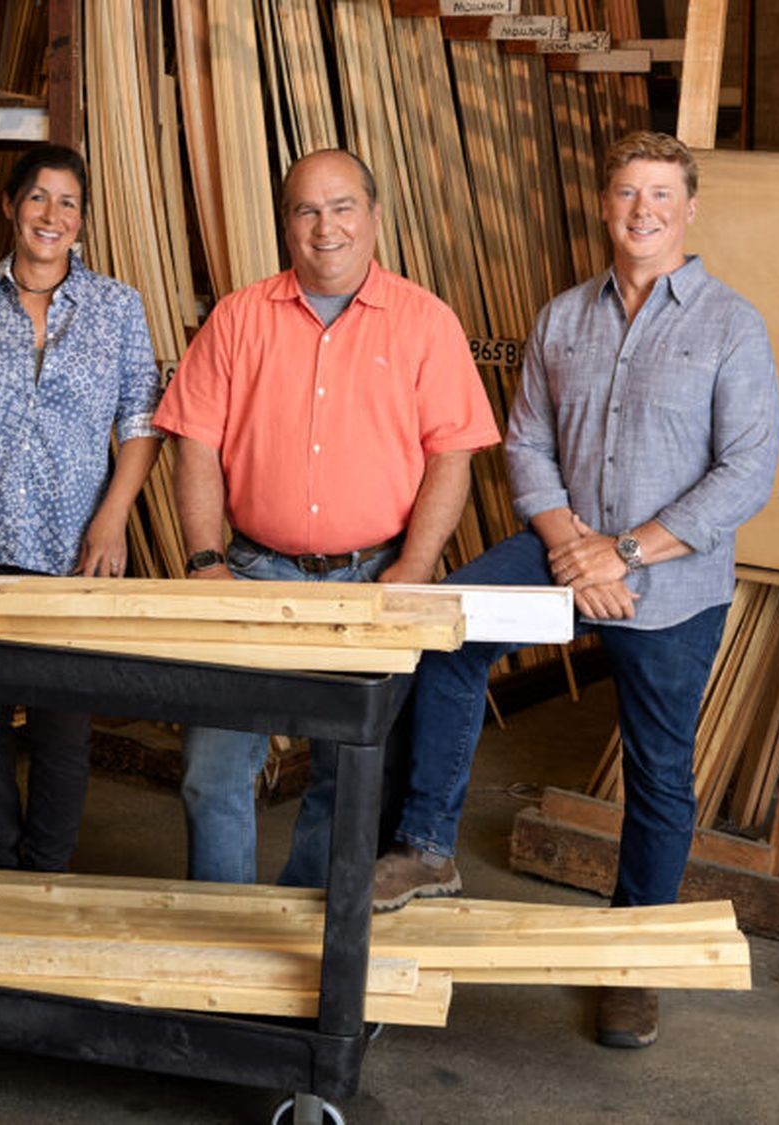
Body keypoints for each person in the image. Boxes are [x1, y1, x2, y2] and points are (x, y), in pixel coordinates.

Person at [372, 131, 779, 1049]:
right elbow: (526, 443)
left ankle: (632, 961)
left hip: (669, 583)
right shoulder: (562, 317)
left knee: (659, 773)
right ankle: (427, 848)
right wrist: (572, 548)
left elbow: (746, 471)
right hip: (564, 547)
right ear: (606, 205)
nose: (644, 211)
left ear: (689, 209)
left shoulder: (731, 325)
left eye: (662, 195)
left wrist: (623, 554)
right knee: (449, 631)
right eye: (629, 193)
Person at [152, 149, 501, 888]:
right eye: (306, 210)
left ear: (374, 217)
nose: (326, 227)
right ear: (286, 226)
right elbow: (195, 443)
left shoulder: (425, 323)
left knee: (346, 785)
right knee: (211, 773)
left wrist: (412, 566)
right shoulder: (238, 317)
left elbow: (453, 456)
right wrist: (207, 559)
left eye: (343, 207)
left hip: (373, 576)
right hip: (250, 573)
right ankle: (225, 944)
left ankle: (303, 939)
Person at [0, 144, 161, 872]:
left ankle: (46, 872)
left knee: (61, 726)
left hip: (79, 547)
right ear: (11, 206)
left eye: (69, 202)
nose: (53, 215)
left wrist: (113, 518)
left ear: (83, 220)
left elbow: (142, 422)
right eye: (39, 198)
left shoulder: (117, 306)